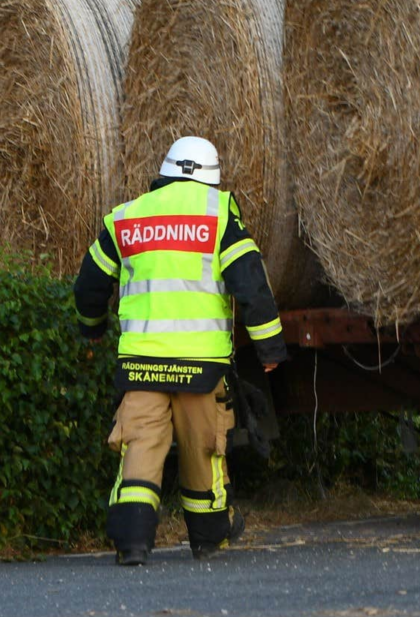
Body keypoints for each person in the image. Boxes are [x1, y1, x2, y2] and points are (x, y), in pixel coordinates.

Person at [73, 135, 288, 566]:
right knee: (202, 452)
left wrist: (91, 327)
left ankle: (132, 544)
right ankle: (208, 539)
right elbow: (251, 285)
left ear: (165, 172)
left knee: (141, 448)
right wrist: (269, 347)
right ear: (211, 178)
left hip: (141, 364)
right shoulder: (218, 216)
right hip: (201, 367)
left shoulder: (127, 218)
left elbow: (89, 284)